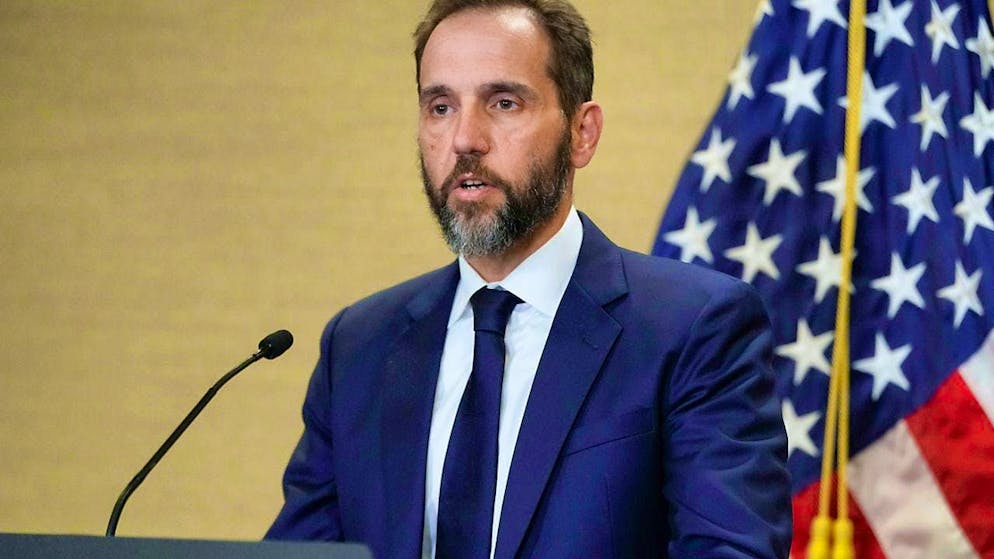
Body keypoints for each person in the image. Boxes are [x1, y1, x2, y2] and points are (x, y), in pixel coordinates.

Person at [265, 1, 792, 557]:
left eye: (504, 102)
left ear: (581, 133)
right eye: (440, 107)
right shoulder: (359, 345)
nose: (466, 138)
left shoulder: (693, 328)